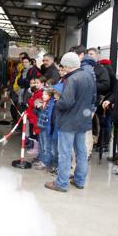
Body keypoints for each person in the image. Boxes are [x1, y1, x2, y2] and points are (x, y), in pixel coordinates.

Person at [45, 52, 95, 192]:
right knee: (81, 152)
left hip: (68, 122)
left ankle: (61, 183)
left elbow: (66, 102)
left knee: (65, 153)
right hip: (82, 120)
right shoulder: (88, 76)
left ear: (67, 65)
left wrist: (57, 101)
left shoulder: (71, 79)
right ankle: (79, 180)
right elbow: (93, 98)